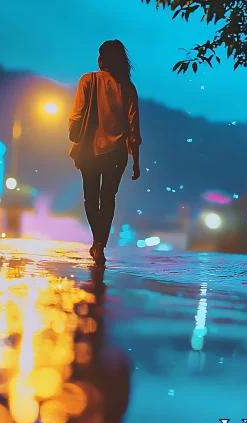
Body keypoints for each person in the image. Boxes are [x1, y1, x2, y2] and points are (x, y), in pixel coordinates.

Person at [69, 40, 142, 265]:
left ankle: (97, 241)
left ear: (102, 59)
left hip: (90, 150)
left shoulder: (88, 80)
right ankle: (100, 244)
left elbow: (77, 114)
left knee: (91, 197)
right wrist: (136, 161)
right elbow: (133, 128)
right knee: (108, 198)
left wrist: (74, 135)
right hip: (117, 152)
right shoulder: (128, 88)